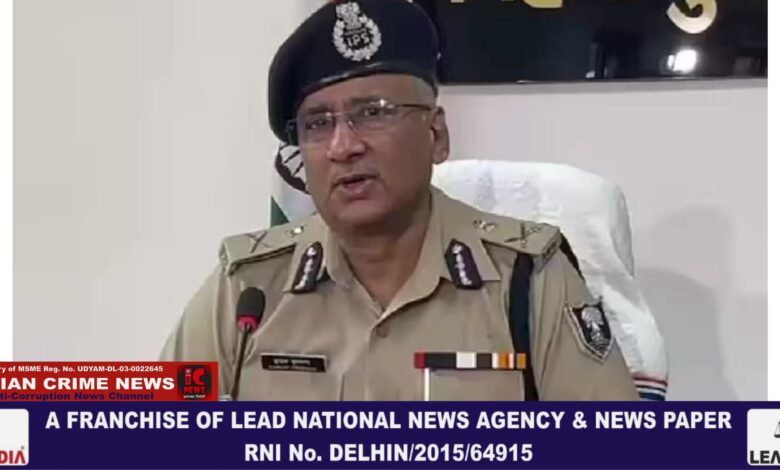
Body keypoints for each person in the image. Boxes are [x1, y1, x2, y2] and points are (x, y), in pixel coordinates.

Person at [160, 0, 639, 401]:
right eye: (318, 124)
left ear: (436, 136)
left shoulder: (529, 281)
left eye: (374, 113)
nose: (343, 146)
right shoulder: (246, 291)